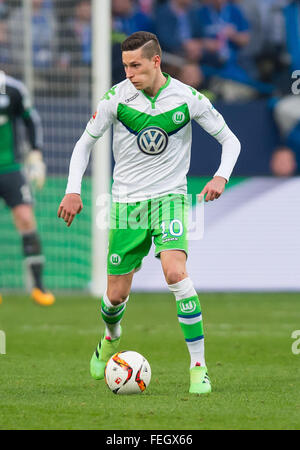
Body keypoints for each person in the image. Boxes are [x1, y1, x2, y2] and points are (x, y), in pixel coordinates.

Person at [58, 31, 241, 394]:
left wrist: (221, 176)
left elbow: (230, 140)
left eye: (136, 65)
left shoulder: (188, 98)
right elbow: (85, 144)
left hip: (169, 198)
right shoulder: (115, 98)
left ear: (156, 61)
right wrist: (72, 189)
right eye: (125, 65)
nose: (129, 73)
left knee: (176, 273)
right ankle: (111, 337)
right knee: (115, 297)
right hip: (126, 204)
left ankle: (198, 368)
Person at [0, 72, 55, 306]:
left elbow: (31, 119)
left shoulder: (12, 89)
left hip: (10, 167)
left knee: (25, 217)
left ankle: (38, 286)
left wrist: (36, 155)